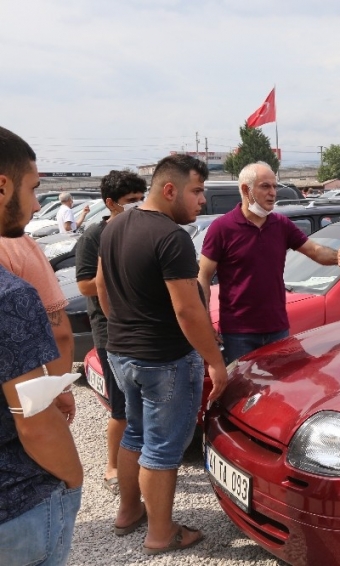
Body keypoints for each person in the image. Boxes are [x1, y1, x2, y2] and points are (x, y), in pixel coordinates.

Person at [96, 154, 227, 555]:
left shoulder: (114, 226)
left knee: (134, 433)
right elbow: (188, 309)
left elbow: (101, 286)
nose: (202, 200)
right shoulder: (171, 237)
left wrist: (126, 324)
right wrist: (217, 364)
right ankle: (161, 533)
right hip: (164, 360)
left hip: (122, 352)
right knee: (163, 448)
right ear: (169, 190)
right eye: (197, 190)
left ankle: (128, 512)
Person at [0, 126, 84, 565]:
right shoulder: (9, 294)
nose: (36, 205)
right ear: (2, 185)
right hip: (15, 506)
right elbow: (32, 418)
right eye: (34, 189)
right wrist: (73, 481)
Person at [198, 162, 340, 364]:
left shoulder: (281, 225)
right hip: (238, 333)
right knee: (243, 392)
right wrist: (206, 323)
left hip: (277, 328)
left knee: (279, 390)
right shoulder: (222, 228)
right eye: (265, 186)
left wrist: (336, 257)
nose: (273, 193)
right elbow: (203, 277)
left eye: (274, 186)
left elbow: (313, 250)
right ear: (246, 189)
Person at [75, 170, 146, 496]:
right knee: (120, 408)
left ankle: (143, 465)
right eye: (130, 201)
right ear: (110, 203)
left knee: (143, 405)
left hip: (143, 329)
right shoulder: (94, 236)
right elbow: (85, 284)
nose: (137, 205)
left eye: (140, 198)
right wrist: (117, 274)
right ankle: (113, 466)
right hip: (110, 332)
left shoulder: (145, 229)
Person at [0, 233, 75, 423]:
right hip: (14, 393)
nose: (37, 206)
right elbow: (60, 333)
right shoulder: (16, 244)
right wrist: (61, 389)